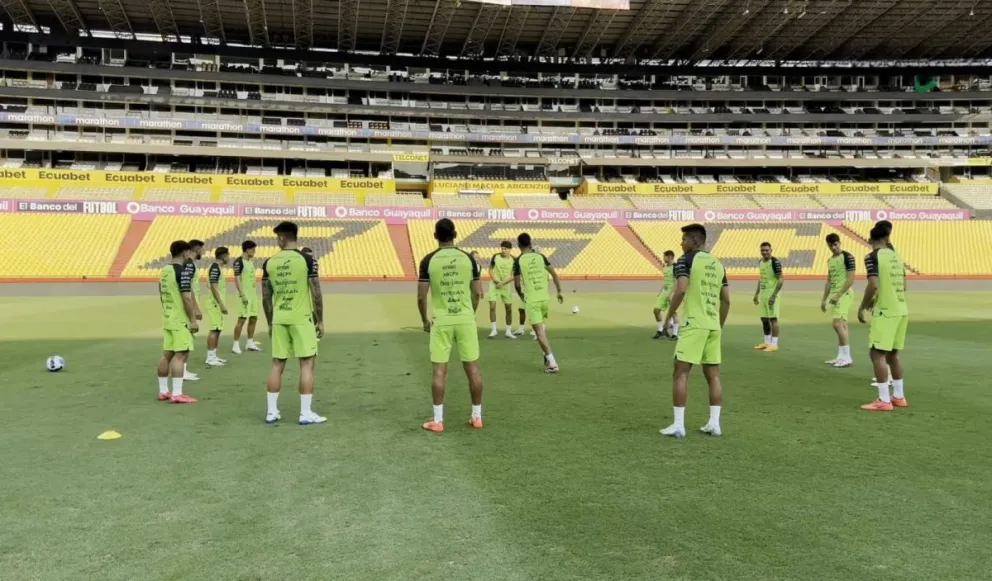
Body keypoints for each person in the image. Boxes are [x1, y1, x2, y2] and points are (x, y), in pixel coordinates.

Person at [660, 224, 730, 438]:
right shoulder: (718, 265)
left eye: (684, 239)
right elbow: (726, 300)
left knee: (680, 373)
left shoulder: (686, 260)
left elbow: (681, 289)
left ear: (694, 241)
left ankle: (679, 425)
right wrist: (719, 324)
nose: (681, 243)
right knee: (713, 376)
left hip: (694, 324)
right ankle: (714, 423)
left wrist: (669, 316)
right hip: (712, 325)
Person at [417, 218, 485, 433]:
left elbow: (421, 297)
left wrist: (424, 321)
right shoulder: (469, 260)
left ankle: (438, 420)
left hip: (442, 321)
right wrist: (470, 313)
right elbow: (477, 293)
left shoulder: (428, 260)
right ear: (455, 234)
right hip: (465, 319)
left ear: (435, 236)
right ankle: (476, 417)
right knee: (473, 368)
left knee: (439, 370)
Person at [261, 222, 325, 425]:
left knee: (277, 364)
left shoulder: (269, 262)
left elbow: (265, 296)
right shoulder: (307, 260)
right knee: (306, 364)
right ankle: (305, 413)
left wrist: (270, 322)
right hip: (301, 319)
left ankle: (271, 412)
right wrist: (320, 319)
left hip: (280, 319)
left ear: (281, 238)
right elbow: (316, 291)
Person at [858, 223, 909, 412]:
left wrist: (863, 306)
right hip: (901, 309)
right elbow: (903, 285)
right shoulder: (896, 256)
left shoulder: (873, 257)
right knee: (893, 354)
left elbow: (873, 285)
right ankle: (899, 396)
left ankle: (883, 400)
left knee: (876, 353)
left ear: (870, 240)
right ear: (887, 238)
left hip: (886, 311)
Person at [156, 240, 199, 404]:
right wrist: (193, 320)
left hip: (168, 317)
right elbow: (187, 298)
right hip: (180, 319)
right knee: (180, 355)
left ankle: (163, 391)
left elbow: (161, 291)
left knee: (167, 355)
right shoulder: (182, 271)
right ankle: (177, 393)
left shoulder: (164, 270)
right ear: (185, 253)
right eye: (189, 252)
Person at [513, 233, 564, 372]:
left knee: (539, 334)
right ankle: (546, 357)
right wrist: (559, 291)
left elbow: (517, 284)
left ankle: (552, 363)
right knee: (542, 330)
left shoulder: (518, 261)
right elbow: (554, 274)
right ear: (530, 243)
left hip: (532, 301)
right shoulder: (540, 256)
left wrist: (522, 296)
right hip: (544, 299)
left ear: (518, 245)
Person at [821, 233, 856, 367]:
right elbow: (829, 281)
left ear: (839, 243)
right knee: (842, 325)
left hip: (844, 294)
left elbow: (851, 279)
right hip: (835, 295)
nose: (833, 248)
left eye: (835, 245)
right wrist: (824, 299)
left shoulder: (848, 257)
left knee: (837, 324)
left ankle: (847, 357)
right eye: (831, 245)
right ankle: (841, 356)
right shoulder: (830, 260)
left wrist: (838, 295)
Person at [870, 220, 894, 387]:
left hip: (885, 307)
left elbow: (875, 283)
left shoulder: (878, 255)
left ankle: (884, 394)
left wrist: (867, 303)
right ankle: (897, 393)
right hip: (898, 305)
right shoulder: (895, 255)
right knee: (892, 349)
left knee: (878, 350)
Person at [179, 240, 205, 381]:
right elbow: (187, 287)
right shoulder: (189, 265)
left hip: (190, 304)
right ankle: (182, 370)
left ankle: (184, 369)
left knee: (188, 338)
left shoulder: (189, 264)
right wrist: (196, 308)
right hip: (188, 306)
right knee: (187, 338)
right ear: (196, 249)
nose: (203, 252)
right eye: (201, 249)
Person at [753, 242, 784, 352]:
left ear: (771, 250)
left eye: (767, 250)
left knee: (773, 319)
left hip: (772, 295)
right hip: (763, 295)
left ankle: (774, 344)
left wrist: (774, 295)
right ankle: (766, 342)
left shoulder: (775, 262)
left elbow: (781, 279)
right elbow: (761, 279)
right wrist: (756, 294)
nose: (765, 252)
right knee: (764, 319)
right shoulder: (760, 262)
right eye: (763, 250)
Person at [232, 240, 262, 354]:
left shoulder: (250, 262)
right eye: (253, 250)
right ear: (248, 249)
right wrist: (242, 294)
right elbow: (237, 279)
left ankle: (250, 343)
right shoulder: (238, 262)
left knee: (254, 318)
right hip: (244, 296)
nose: (254, 252)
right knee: (242, 319)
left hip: (253, 296)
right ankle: (235, 344)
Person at [204, 247, 230, 367]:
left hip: (217, 303)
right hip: (215, 304)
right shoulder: (214, 268)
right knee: (214, 329)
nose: (229, 258)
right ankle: (210, 357)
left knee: (218, 329)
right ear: (224, 256)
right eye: (228, 255)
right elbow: (214, 287)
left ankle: (214, 355)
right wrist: (221, 304)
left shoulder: (217, 268)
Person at [487, 241, 517, 339]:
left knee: (508, 308)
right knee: (492, 306)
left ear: (509, 249)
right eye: (502, 248)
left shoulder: (514, 260)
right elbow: (490, 269)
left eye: (505, 249)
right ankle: (494, 330)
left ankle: (508, 331)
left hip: (505, 285)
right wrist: (495, 280)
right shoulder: (496, 256)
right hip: (494, 284)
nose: (503, 250)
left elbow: (513, 276)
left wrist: (503, 283)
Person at [653, 250, 679, 340]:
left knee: (673, 313)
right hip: (664, 292)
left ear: (670, 257)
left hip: (672, 292)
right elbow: (666, 281)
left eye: (664, 257)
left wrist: (671, 293)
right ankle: (660, 331)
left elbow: (677, 281)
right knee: (656, 310)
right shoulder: (665, 267)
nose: (663, 258)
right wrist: (661, 291)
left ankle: (675, 334)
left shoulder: (675, 267)